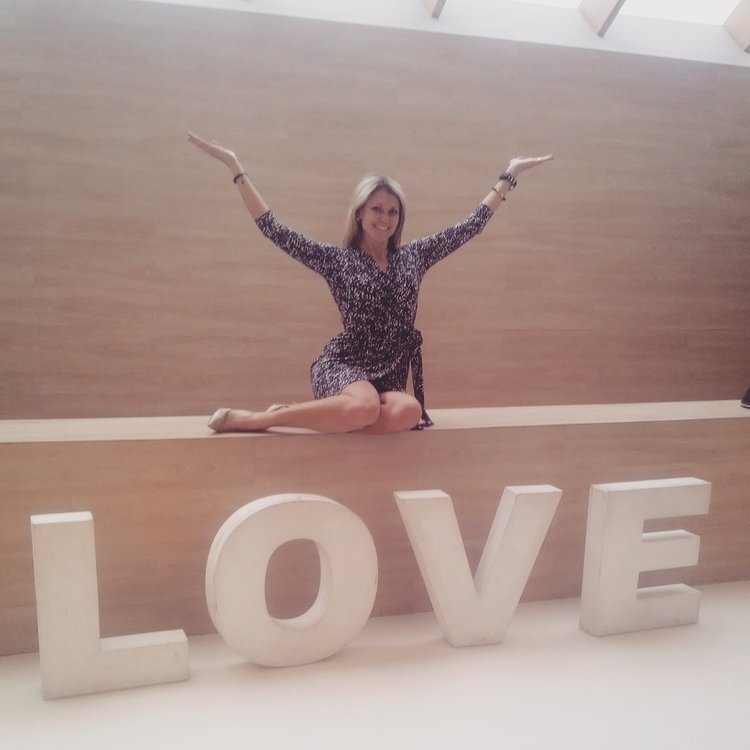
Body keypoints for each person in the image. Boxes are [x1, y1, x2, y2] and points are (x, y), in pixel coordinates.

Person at [188, 132, 553, 434]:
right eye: (377, 208)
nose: (385, 218)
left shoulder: (414, 256)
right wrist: (236, 168)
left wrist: (508, 175)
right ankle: (260, 419)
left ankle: (317, 415)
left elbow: (470, 226)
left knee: (408, 411)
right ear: (361, 212)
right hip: (345, 365)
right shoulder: (337, 260)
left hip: (390, 371)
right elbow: (274, 230)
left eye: (393, 211)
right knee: (364, 406)